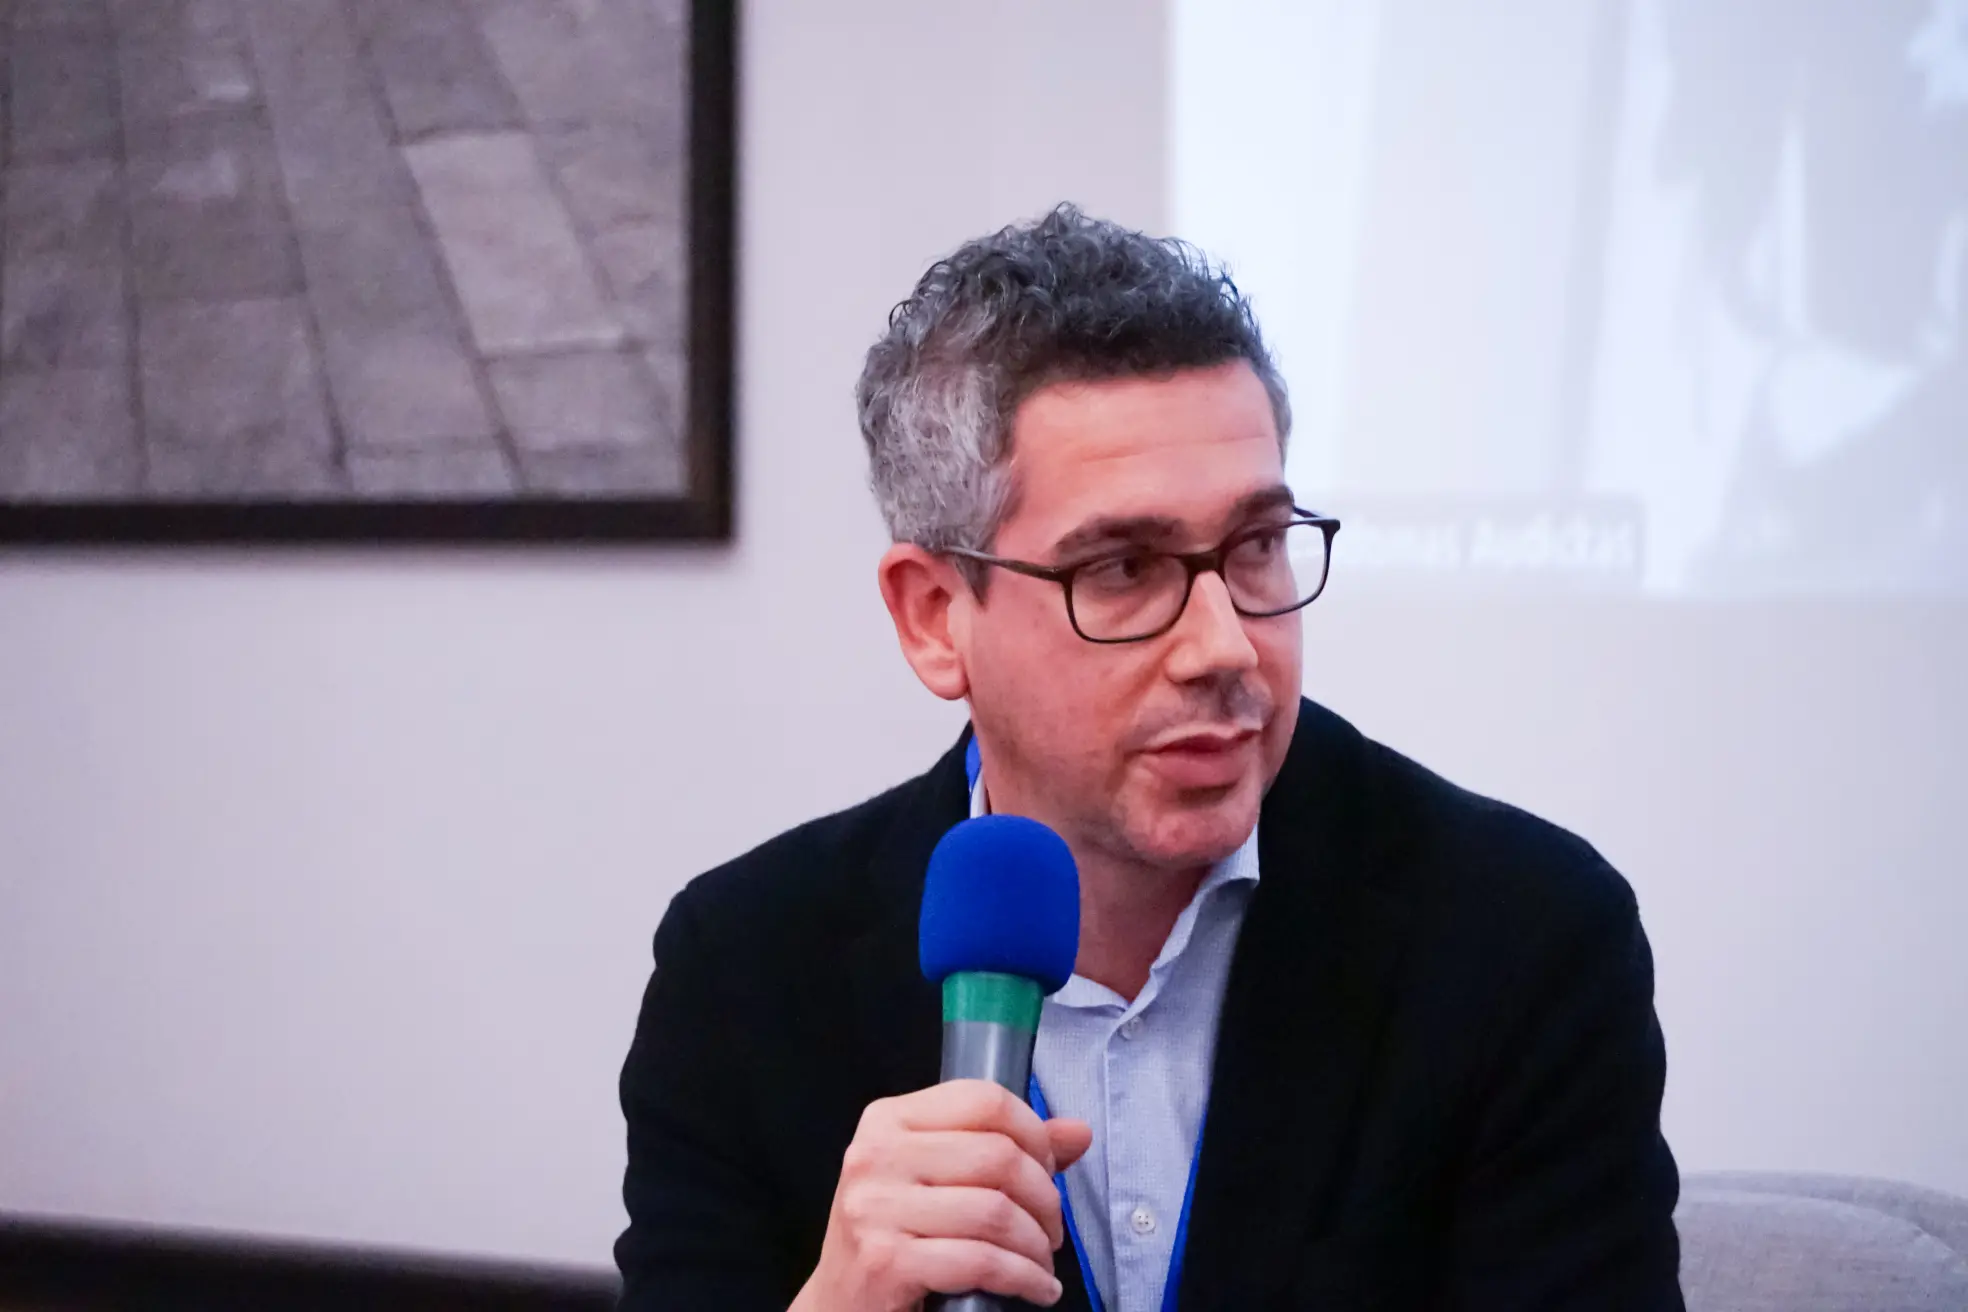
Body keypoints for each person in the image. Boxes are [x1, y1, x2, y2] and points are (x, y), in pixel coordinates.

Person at [614, 205, 1682, 1310]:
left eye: (1256, 546)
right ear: (934, 616)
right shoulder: (744, 971)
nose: (1225, 646)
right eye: (1123, 568)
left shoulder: (1522, 938)